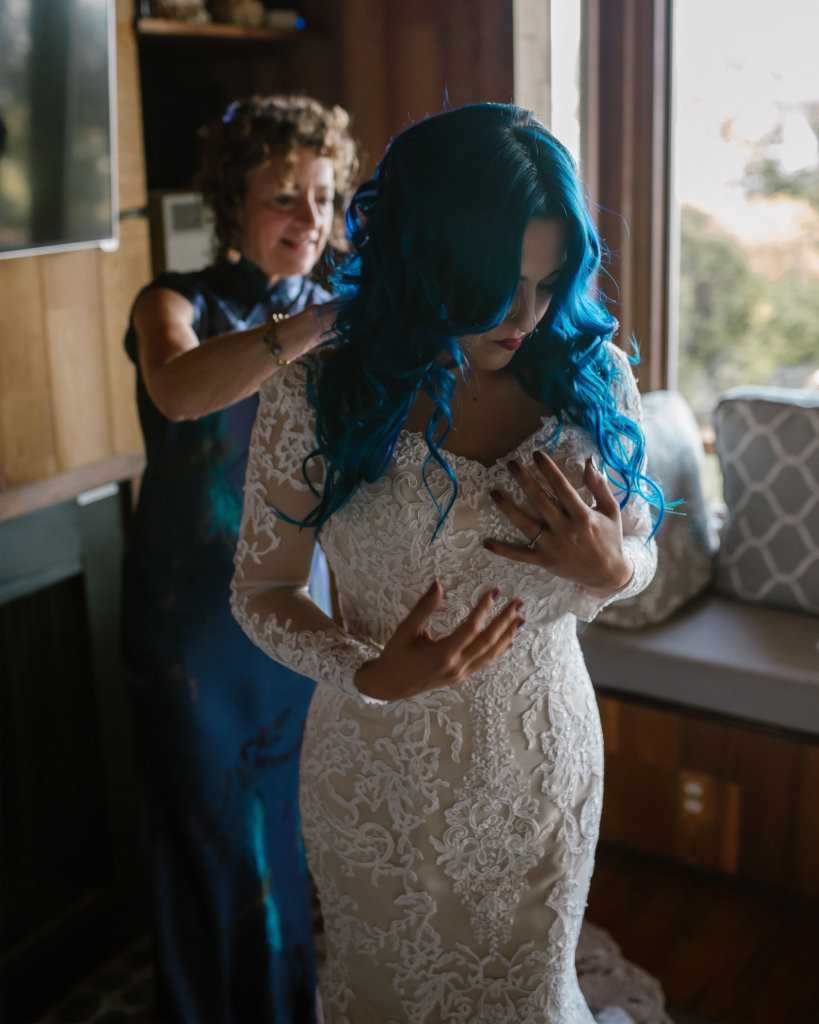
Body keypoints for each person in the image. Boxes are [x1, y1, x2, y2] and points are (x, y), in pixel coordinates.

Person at [231, 102, 666, 1024]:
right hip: (377, 776)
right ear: (424, 258)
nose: (523, 315)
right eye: (494, 283)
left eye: (548, 284)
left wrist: (609, 565)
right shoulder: (320, 393)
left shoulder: (594, 383)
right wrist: (367, 670)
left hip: (540, 768)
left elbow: (642, 555)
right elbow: (261, 592)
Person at [121, 94, 358, 1024]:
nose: (310, 219)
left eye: (324, 198)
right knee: (212, 845)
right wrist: (315, 324)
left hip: (300, 616)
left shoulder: (344, 313)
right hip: (192, 634)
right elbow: (180, 392)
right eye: (284, 197)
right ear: (234, 201)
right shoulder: (173, 301)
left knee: (297, 847)